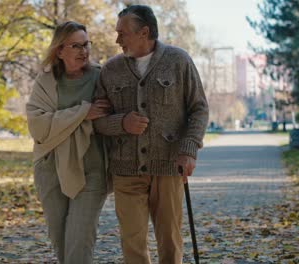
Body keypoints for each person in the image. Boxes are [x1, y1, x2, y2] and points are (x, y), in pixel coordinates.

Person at [93, 5, 209, 264]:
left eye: (122, 33)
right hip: (125, 170)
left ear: (144, 32)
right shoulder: (110, 70)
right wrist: (122, 123)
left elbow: (199, 109)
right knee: (132, 242)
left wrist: (188, 149)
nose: (117, 40)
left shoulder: (179, 61)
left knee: (169, 239)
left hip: (169, 168)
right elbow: (97, 121)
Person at [25, 21, 110, 264]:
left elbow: (108, 116)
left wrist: (66, 120)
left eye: (86, 44)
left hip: (91, 167)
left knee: (80, 240)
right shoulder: (45, 81)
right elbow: (38, 127)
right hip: (50, 166)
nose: (84, 51)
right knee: (61, 241)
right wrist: (84, 113)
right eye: (76, 46)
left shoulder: (100, 77)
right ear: (60, 51)